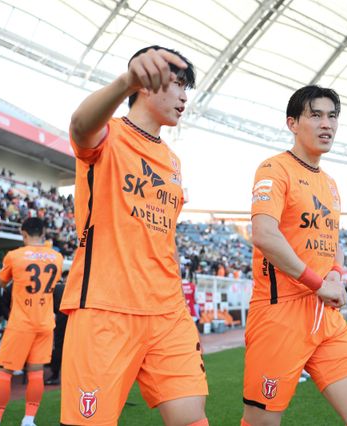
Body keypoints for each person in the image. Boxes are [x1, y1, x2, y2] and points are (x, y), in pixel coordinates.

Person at [59, 45, 208, 425]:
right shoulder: (108, 134)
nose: (184, 97)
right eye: (177, 84)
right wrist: (125, 81)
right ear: (145, 84)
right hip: (106, 308)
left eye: (187, 88)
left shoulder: (173, 161)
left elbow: (163, 239)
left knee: (193, 418)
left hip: (168, 312)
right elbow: (79, 126)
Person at [242, 85, 347, 426]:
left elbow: (331, 241)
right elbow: (264, 234)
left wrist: (335, 273)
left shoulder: (330, 184)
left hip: (326, 317)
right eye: (316, 115)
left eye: (332, 116)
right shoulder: (274, 169)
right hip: (280, 315)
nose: (326, 124)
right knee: (261, 422)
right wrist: (318, 283)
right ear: (292, 123)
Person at [0, 218, 64, 426]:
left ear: (23, 234)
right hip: (45, 323)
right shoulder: (57, 257)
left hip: (21, 323)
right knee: (36, 373)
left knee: (4, 373)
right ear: (44, 233)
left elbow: (2, 282)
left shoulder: (14, 255)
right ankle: (29, 420)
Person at [44, 270, 68, 386]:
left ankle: (55, 375)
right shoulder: (62, 288)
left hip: (61, 318)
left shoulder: (56, 288)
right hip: (70, 318)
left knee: (58, 346)